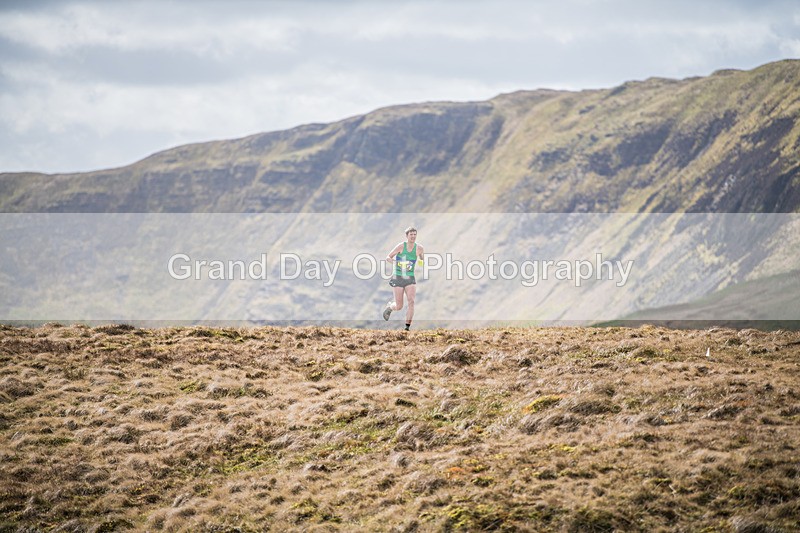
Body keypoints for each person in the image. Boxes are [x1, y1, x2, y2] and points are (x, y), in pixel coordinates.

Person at [383, 226, 424, 330]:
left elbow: (421, 258)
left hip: (410, 277)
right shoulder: (401, 246)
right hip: (398, 276)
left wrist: (421, 260)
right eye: (411, 234)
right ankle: (390, 307)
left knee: (411, 301)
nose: (413, 236)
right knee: (399, 306)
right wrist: (396, 262)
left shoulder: (419, 248)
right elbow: (388, 257)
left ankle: (407, 327)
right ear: (407, 236)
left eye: (415, 234)